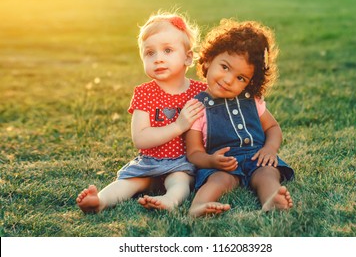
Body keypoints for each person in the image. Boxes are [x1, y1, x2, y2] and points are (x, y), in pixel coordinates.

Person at [76, 11, 207, 213]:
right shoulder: (144, 93)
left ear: (188, 57)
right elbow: (141, 139)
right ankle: (100, 200)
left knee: (180, 182)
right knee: (129, 182)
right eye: (150, 53)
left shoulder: (200, 92)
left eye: (168, 50)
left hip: (182, 162)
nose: (158, 59)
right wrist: (178, 126)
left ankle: (169, 201)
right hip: (149, 162)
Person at [185, 19, 295, 217]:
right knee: (219, 180)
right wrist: (212, 161)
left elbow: (273, 128)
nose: (228, 80)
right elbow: (193, 152)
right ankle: (199, 205)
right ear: (209, 59)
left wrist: (269, 149)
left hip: (256, 157)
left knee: (268, 173)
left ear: (250, 82)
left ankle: (271, 199)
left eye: (240, 78)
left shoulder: (252, 101)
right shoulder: (197, 107)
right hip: (223, 164)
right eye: (225, 67)